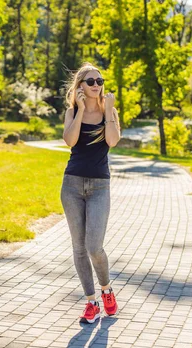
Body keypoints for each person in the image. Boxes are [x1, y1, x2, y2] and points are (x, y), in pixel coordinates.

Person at [60, 62, 122, 324]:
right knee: (79, 248)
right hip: (72, 185)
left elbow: (113, 140)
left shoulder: (111, 111)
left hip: (99, 186)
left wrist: (108, 111)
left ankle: (106, 289)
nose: (97, 85)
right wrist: (81, 109)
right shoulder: (73, 111)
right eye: (91, 81)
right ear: (80, 87)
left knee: (94, 246)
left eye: (100, 81)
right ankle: (90, 302)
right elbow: (70, 141)